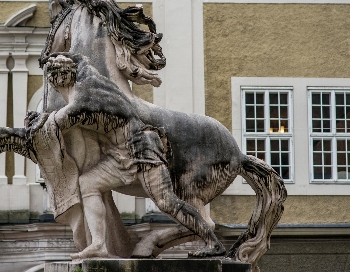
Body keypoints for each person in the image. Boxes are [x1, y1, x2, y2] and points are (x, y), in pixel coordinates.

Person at [28, 53, 225, 259]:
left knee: (167, 203)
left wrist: (37, 123)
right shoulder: (80, 91)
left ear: (61, 78)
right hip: (120, 155)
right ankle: (98, 245)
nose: (55, 84)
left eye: (55, 78)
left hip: (141, 150)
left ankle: (212, 241)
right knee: (87, 183)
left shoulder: (82, 97)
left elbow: (56, 124)